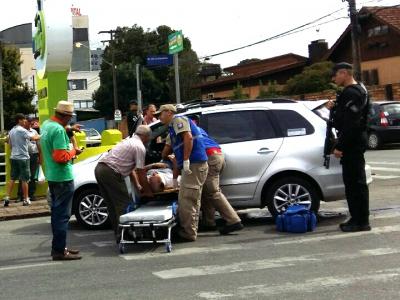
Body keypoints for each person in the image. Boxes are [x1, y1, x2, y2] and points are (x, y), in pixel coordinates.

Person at [327, 62, 370, 232]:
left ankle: (360, 221)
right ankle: (357, 218)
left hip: (352, 144)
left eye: (336, 75)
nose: (334, 78)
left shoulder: (351, 93)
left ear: (344, 73)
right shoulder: (360, 89)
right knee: (355, 184)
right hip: (356, 142)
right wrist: (335, 107)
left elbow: (351, 123)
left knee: (354, 185)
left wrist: (340, 146)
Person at [95, 125, 154, 242]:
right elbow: (141, 173)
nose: (149, 140)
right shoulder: (139, 147)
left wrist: (137, 185)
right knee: (123, 204)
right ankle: (126, 234)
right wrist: (148, 192)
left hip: (100, 169)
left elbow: (132, 169)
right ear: (146, 136)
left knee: (112, 205)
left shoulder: (128, 141)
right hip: (111, 172)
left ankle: (119, 234)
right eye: (149, 137)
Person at [159, 104, 209, 242]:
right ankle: (190, 230)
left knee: (186, 199)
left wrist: (186, 159)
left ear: (169, 112)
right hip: (193, 165)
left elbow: (188, 137)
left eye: (161, 113)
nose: (159, 116)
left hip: (194, 164)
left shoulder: (178, 120)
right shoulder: (172, 128)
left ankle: (188, 233)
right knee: (191, 198)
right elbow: (175, 153)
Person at [41, 100, 83, 260]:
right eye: (70, 118)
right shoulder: (59, 131)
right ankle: (59, 251)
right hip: (62, 177)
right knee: (62, 216)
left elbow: (58, 132)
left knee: (56, 213)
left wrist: (70, 130)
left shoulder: (47, 125)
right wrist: (74, 151)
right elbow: (60, 157)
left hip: (52, 176)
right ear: (66, 117)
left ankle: (59, 247)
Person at [190, 116, 243, 234]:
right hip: (217, 155)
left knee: (213, 192)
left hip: (210, 157)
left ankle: (233, 221)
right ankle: (209, 222)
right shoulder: (199, 129)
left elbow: (173, 149)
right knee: (207, 190)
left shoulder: (184, 129)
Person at [3, 114, 40, 207]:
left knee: (12, 178)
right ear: (19, 120)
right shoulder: (22, 130)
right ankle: (26, 199)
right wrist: (42, 134)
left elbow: (10, 145)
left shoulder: (11, 131)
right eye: (23, 120)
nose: (25, 121)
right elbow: (35, 138)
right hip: (23, 158)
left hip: (13, 157)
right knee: (25, 179)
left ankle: (7, 197)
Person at [18, 117, 41, 202]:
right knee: (23, 175)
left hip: (34, 155)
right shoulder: (20, 131)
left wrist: (39, 156)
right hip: (24, 155)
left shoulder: (34, 131)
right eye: (29, 121)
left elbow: (38, 144)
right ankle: (20, 195)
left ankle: (31, 194)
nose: (31, 123)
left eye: (31, 122)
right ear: (25, 122)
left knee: (32, 175)